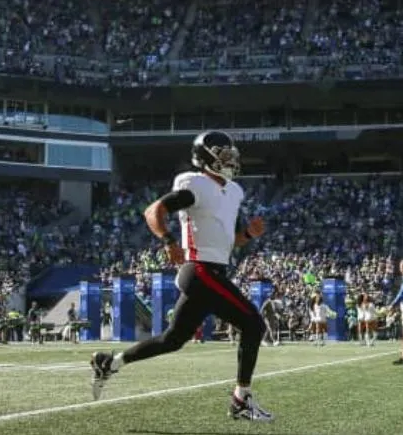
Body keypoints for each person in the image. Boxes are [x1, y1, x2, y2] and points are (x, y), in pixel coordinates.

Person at [90, 131, 272, 422]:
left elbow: (231, 241)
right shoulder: (195, 184)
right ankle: (241, 401)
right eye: (224, 156)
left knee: (172, 340)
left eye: (231, 156)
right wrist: (168, 240)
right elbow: (154, 211)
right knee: (253, 324)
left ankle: (110, 363)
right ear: (206, 158)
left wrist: (249, 234)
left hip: (212, 271)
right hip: (199, 270)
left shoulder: (233, 191)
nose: (231, 161)